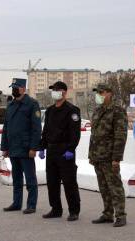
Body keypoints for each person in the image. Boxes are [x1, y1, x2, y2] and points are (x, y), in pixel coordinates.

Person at [39, 81, 81, 221]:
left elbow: (75, 133)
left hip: (65, 151)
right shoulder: (50, 110)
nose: (54, 92)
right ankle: (56, 209)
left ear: (64, 92)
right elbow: (46, 131)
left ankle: (74, 211)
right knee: (52, 182)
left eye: (57, 90)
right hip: (51, 150)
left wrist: (70, 149)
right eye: (53, 89)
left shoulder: (72, 110)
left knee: (69, 183)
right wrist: (42, 146)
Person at [89, 83, 128, 227]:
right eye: (97, 93)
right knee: (103, 187)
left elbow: (120, 136)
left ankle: (121, 215)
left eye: (101, 92)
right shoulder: (98, 110)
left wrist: (116, 158)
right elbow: (94, 135)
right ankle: (107, 213)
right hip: (98, 156)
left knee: (115, 186)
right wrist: (91, 155)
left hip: (110, 156)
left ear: (109, 93)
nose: (98, 95)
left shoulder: (117, 111)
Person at [1, 78, 42, 214]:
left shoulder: (32, 104)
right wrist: (5, 147)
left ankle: (31, 204)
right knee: (17, 178)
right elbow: (6, 127)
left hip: (26, 148)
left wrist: (33, 148)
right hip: (13, 148)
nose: (14, 89)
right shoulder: (10, 105)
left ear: (23, 89)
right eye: (12, 87)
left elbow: (36, 128)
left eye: (16, 87)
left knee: (30, 178)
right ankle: (16, 203)